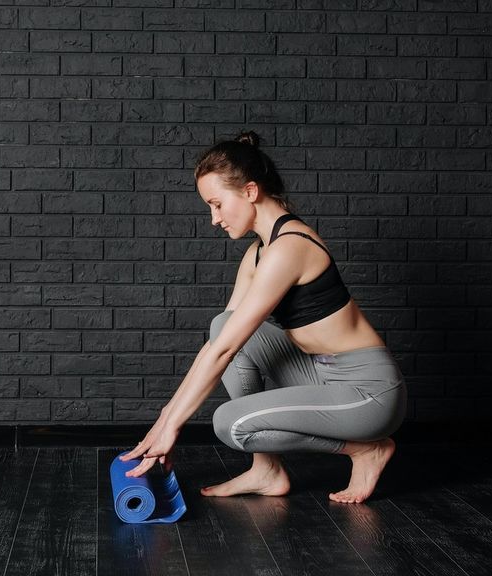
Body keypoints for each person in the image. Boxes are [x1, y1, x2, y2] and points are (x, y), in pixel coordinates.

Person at [120, 131, 407, 503]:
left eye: (218, 204)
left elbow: (224, 352)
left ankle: (366, 449)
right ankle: (266, 469)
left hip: (369, 393)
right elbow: (220, 346)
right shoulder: (258, 253)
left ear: (250, 191)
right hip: (320, 374)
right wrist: (163, 420)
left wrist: (171, 426)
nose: (214, 219)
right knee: (222, 326)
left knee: (230, 423)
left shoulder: (289, 248)